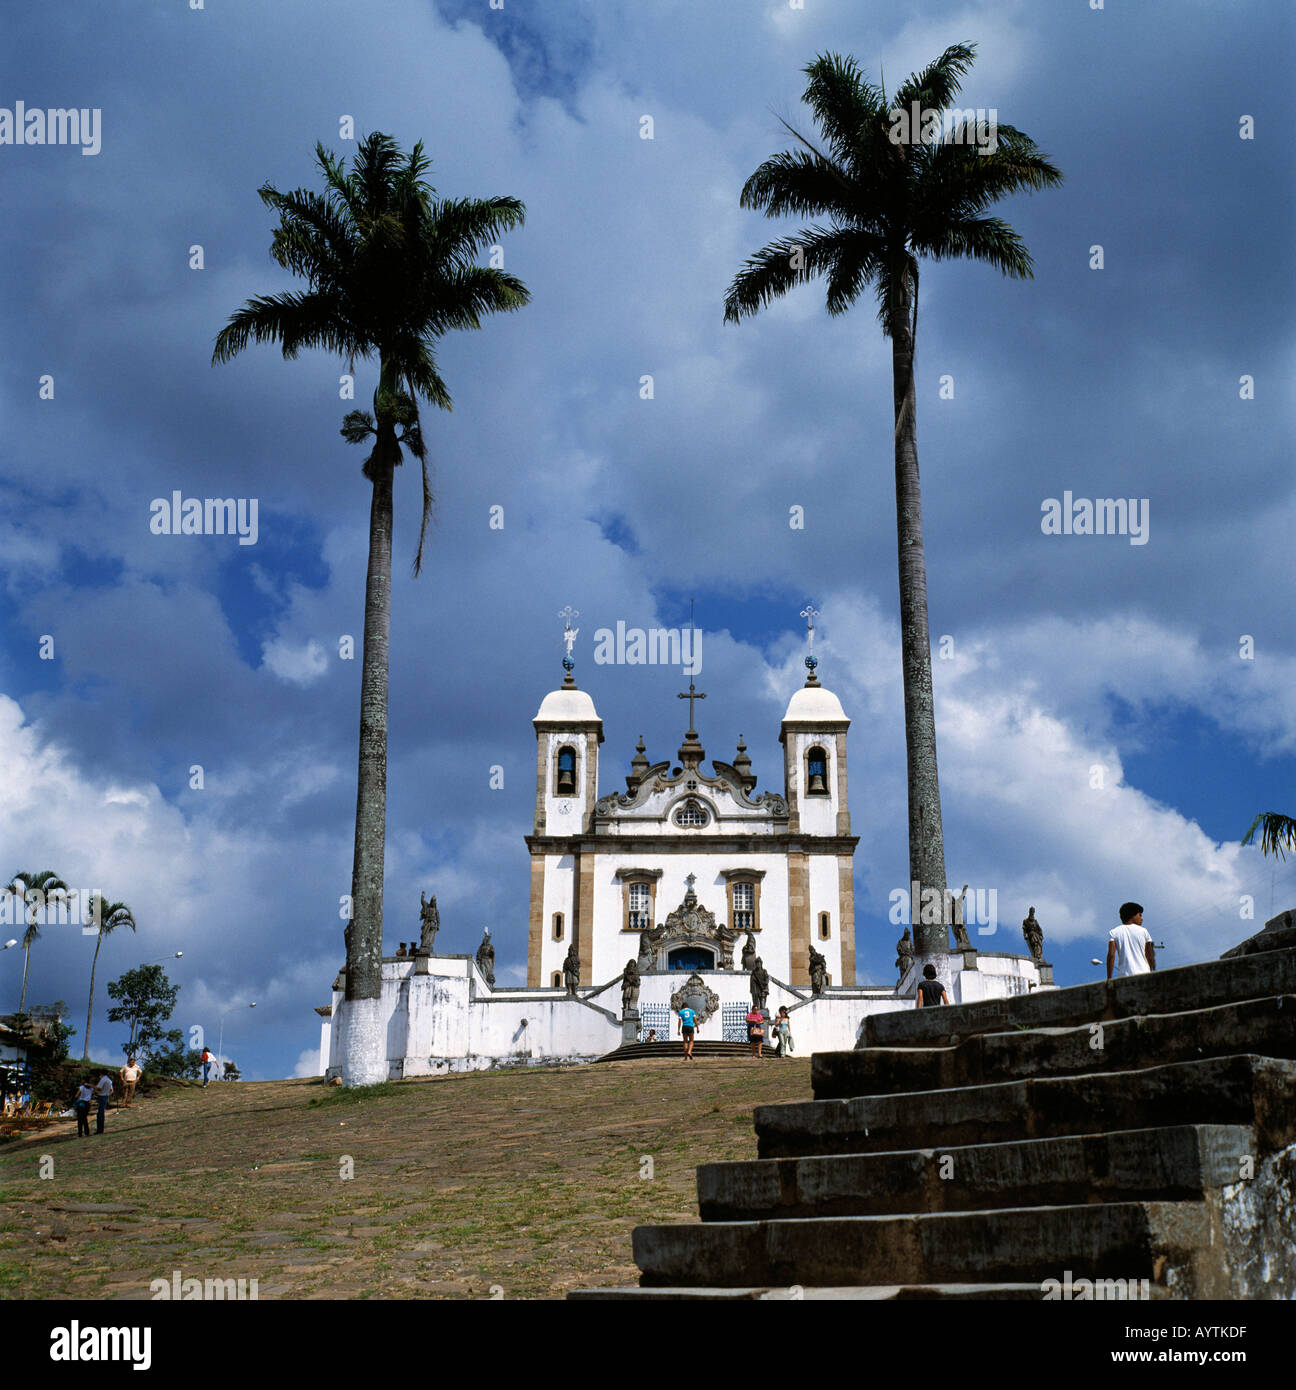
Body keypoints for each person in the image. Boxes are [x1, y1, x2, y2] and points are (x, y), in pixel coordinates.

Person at [1107, 901, 1155, 979]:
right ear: (1133, 915)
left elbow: (1111, 956)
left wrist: (1109, 979)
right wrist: (1151, 973)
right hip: (1144, 974)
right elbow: (1149, 955)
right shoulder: (1144, 931)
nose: (1142, 919)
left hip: (1124, 976)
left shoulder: (1114, 932)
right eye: (1140, 915)